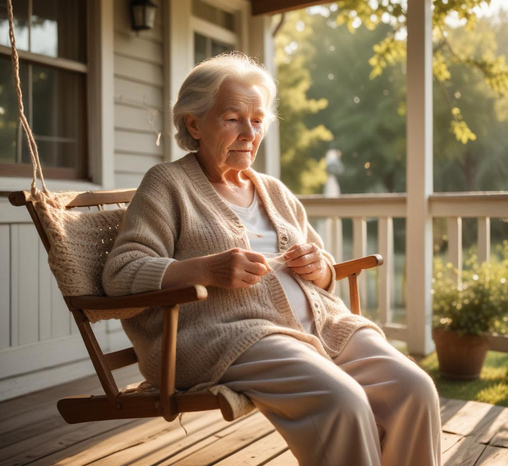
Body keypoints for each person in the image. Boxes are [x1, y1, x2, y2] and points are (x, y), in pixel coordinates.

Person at [102, 52, 442, 465]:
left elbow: (324, 268)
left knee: (415, 389)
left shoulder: (274, 190)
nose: (249, 132)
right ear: (194, 123)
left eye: (258, 120)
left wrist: (320, 269)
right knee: (343, 401)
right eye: (232, 118)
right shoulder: (168, 184)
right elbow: (120, 273)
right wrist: (206, 269)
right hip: (234, 334)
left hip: (324, 325)